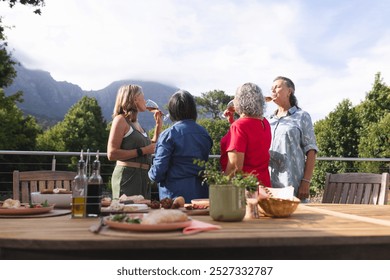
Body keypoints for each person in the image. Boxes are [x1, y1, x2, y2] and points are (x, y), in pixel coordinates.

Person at [148, 90, 213, 202]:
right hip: (201, 193)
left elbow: (158, 172)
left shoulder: (168, 135)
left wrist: (149, 173)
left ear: (172, 110)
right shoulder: (204, 133)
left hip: (174, 195)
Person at [107, 84, 162, 199]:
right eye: (143, 97)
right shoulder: (120, 120)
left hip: (143, 177)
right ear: (135, 99)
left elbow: (150, 147)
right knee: (126, 214)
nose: (145, 101)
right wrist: (144, 150)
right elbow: (112, 154)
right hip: (127, 177)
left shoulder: (136, 123)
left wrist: (158, 125)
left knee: (143, 214)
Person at [267, 76, 318, 201]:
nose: (273, 90)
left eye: (277, 87)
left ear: (289, 91)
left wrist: (306, 181)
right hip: (268, 184)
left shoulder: (302, 116)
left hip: (291, 184)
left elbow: (311, 151)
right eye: (271, 88)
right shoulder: (268, 120)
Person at [220, 82, 272, 188]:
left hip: (245, 189)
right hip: (263, 185)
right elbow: (251, 139)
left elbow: (234, 167)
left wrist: (222, 186)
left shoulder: (239, 126)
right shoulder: (264, 122)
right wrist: (232, 121)